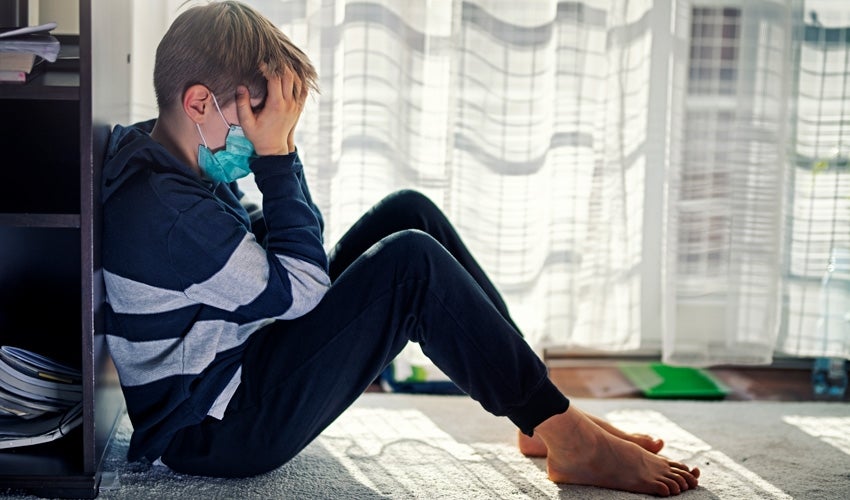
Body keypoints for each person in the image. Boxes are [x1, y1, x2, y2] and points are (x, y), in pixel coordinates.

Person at [101, 1, 700, 496]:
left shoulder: (172, 162)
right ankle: (568, 436)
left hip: (237, 359)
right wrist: (279, 158)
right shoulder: (169, 211)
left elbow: (274, 243)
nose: (263, 140)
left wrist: (279, 154)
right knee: (409, 265)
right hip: (216, 429)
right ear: (200, 103)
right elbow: (303, 289)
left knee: (407, 212)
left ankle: (540, 414)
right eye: (256, 119)